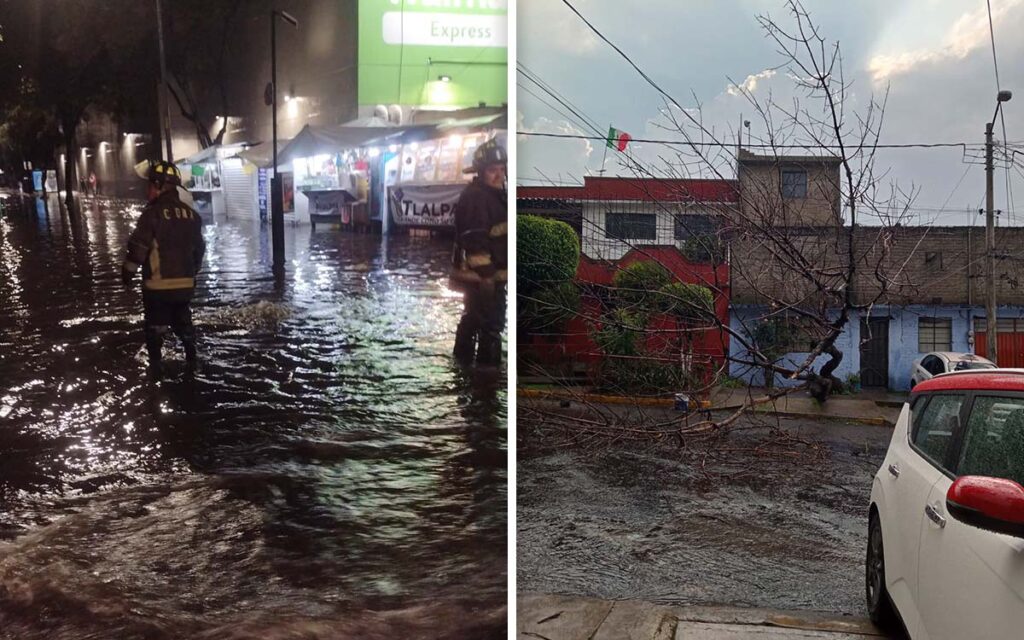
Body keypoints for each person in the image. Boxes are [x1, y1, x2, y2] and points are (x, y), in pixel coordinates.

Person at [121, 160, 205, 379]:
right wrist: (191, 274)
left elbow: (138, 249)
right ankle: (192, 365)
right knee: (185, 328)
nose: (148, 190)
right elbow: (199, 251)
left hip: (157, 288)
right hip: (186, 287)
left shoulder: (152, 214)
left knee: (155, 331)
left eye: (150, 185)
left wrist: (127, 275)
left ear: (158, 185)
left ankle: (156, 376)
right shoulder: (192, 216)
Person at [450, 138, 508, 367]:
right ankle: (486, 381)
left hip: (485, 278)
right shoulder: (477, 198)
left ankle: (463, 370)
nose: (499, 175)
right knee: (491, 328)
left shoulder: (490, 196)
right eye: (493, 170)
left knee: (473, 321)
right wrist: (488, 277)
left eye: (502, 170)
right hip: (483, 279)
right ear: (481, 172)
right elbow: (475, 242)